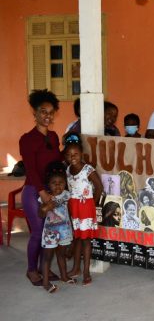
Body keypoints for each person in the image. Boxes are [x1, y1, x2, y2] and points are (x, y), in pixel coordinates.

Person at [19, 89, 63, 287]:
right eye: (43, 111)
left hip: (51, 190)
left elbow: (56, 162)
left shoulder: (53, 137)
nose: (48, 115)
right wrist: (43, 193)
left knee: (50, 233)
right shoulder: (27, 139)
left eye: (51, 112)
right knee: (38, 233)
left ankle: (43, 267)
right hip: (33, 191)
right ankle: (31, 270)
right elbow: (31, 169)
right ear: (34, 113)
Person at [63, 132, 104, 286]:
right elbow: (70, 190)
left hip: (86, 208)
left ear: (81, 154)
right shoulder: (68, 170)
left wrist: (92, 203)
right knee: (77, 238)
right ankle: (76, 268)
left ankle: (86, 271)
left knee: (86, 240)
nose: (72, 157)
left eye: (75, 154)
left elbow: (99, 187)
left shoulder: (88, 170)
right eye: (68, 154)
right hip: (74, 207)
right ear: (65, 156)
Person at [38, 162, 75, 293]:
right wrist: (45, 208)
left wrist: (72, 230)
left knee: (61, 254)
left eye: (61, 182)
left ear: (65, 183)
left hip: (64, 230)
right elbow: (40, 214)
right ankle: (46, 282)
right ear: (49, 184)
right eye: (54, 182)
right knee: (47, 257)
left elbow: (69, 213)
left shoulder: (66, 195)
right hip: (50, 232)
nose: (58, 185)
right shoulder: (46, 197)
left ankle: (64, 276)